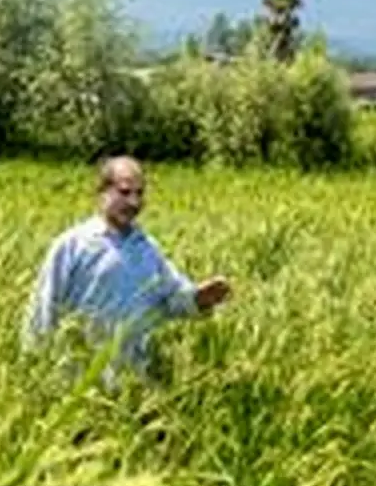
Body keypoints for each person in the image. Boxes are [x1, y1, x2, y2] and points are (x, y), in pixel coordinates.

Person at [22, 155, 231, 392]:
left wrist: (199, 298)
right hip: (78, 383)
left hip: (132, 382)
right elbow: (44, 307)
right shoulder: (73, 245)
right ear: (102, 192)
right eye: (124, 192)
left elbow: (171, 298)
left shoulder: (147, 248)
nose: (133, 201)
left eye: (140, 193)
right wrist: (34, 366)